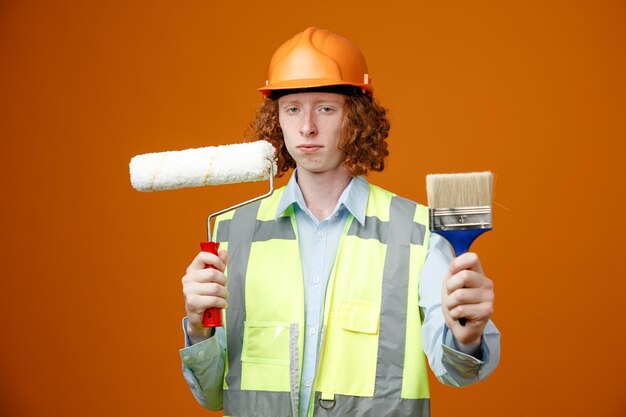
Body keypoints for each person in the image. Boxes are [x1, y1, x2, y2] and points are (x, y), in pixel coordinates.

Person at [179, 27, 500, 417]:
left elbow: (457, 372)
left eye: (326, 108)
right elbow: (212, 395)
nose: (307, 127)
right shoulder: (230, 232)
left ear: (356, 117)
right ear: (276, 119)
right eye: (292, 108)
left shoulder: (419, 231)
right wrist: (199, 329)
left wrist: (467, 336)